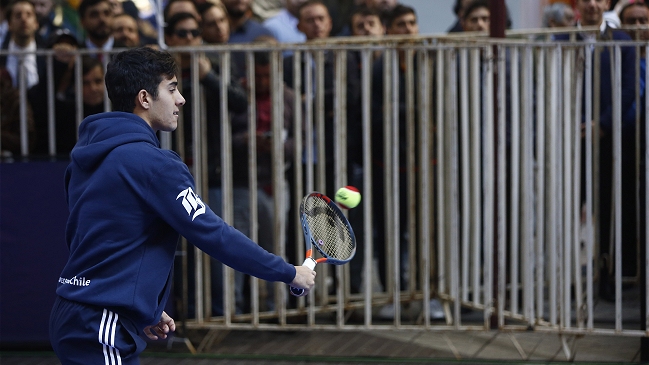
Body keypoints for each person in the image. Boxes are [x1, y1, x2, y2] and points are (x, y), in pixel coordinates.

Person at [49, 46, 316, 364]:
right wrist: (288, 272)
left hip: (77, 311)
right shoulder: (155, 164)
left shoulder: (86, 154)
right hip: (102, 320)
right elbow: (214, 235)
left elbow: (92, 239)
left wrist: (141, 302)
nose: (181, 99)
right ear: (145, 98)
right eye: (172, 89)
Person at [555, 0, 637, 300]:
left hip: (609, 140)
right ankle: (568, 280)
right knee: (567, 207)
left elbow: (628, 89)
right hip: (569, 138)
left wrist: (602, 124)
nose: (592, 4)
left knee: (609, 210)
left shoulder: (622, 41)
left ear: (606, 3)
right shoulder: (561, 40)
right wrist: (571, 124)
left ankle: (608, 276)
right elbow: (553, 86)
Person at [0, 0, 48, 155]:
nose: (23, 19)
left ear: (36, 23)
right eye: (18, 15)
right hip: (9, 134)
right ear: (9, 24)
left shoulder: (48, 55)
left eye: (29, 15)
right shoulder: (1, 57)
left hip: (44, 131)